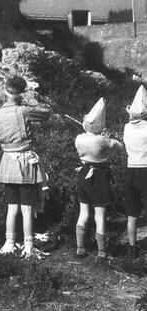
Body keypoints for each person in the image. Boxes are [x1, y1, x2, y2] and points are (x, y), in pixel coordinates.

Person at [0, 76, 50, 258]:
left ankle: (9, 242)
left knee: (12, 207)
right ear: (21, 92)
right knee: (27, 208)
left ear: (5, 91)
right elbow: (45, 114)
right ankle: (28, 245)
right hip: (24, 161)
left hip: (7, 161)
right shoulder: (24, 111)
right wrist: (29, 99)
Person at [74, 98, 123, 264]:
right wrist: (108, 137)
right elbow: (118, 146)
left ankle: (80, 249)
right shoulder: (102, 140)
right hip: (99, 176)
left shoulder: (78, 138)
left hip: (83, 173)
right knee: (99, 215)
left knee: (84, 213)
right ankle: (102, 252)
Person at [123, 85, 147, 259]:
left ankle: (132, 248)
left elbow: (133, 118)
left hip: (130, 171)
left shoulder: (127, 128)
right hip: (145, 171)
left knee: (132, 214)